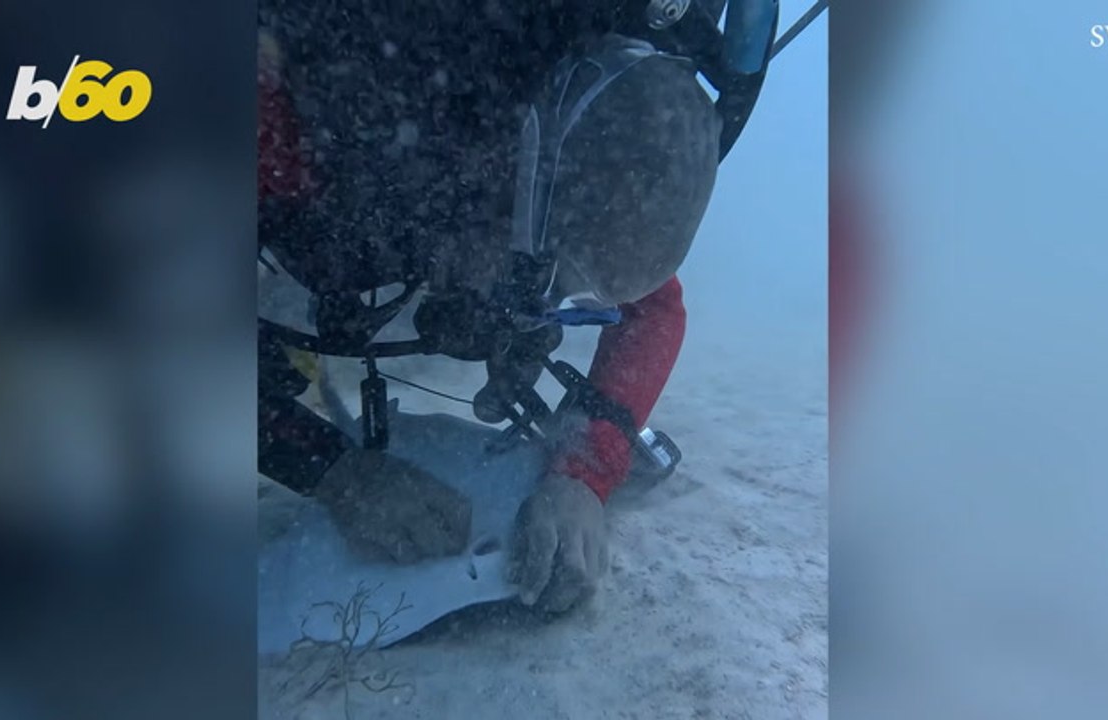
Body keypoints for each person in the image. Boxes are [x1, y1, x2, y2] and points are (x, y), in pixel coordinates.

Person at [258, 0, 770, 613]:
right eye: (555, 279)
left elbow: (654, 310)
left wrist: (584, 474)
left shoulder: (585, 159)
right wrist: (334, 472)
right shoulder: (296, 124)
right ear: (507, 183)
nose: (547, 311)